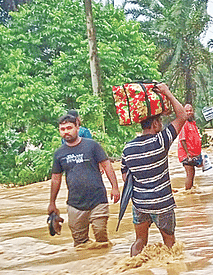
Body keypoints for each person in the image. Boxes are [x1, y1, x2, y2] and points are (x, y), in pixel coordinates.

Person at [121, 83, 187, 256]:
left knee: (140, 241)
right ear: (156, 124)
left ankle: (136, 271)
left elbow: (125, 177)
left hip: (140, 204)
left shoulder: (128, 149)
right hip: (162, 203)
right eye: (160, 122)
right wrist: (168, 93)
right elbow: (182, 116)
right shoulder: (160, 142)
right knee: (170, 243)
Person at [48, 113, 120, 246]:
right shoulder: (59, 154)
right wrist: (52, 203)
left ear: (77, 127)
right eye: (62, 130)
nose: (66, 132)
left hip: (98, 200)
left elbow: (107, 165)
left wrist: (115, 188)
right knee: (80, 244)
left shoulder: (92, 146)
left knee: (101, 238)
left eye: (69, 128)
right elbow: (55, 179)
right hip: (75, 204)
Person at [178, 103, 203, 190]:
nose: (189, 112)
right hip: (186, 154)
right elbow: (182, 139)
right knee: (190, 174)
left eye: (190, 110)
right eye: (186, 111)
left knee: (192, 173)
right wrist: (187, 153)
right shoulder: (184, 124)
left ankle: (190, 192)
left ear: (193, 111)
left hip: (193, 154)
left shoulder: (192, 123)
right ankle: (188, 193)